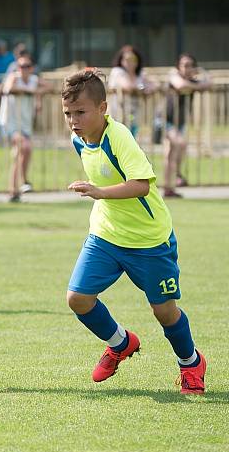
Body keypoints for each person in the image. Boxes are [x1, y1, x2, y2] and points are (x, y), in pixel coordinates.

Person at [63, 69, 206, 395]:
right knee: (78, 299)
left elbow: (141, 186)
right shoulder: (79, 139)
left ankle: (191, 363)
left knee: (164, 312)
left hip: (149, 241)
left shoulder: (120, 138)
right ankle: (121, 343)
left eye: (81, 112)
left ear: (103, 108)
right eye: (68, 113)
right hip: (106, 236)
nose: (73, 120)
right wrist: (100, 197)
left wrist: (99, 192)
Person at [0, 53, 51, 201]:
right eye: (20, 66)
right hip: (10, 123)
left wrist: (37, 93)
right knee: (24, 147)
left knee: (20, 153)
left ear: (32, 68)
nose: (23, 69)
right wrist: (30, 92)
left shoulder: (34, 79)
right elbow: (8, 89)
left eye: (27, 66)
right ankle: (23, 182)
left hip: (25, 124)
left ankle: (14, 190)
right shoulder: (14, 77)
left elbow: (49, 87)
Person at [164, 53, 212, 198]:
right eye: (184, 65)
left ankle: (169, 188)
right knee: (180, 144)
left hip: (180, 123)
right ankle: (177, 177)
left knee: (171, 154)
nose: (187, 68)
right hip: (166, 120)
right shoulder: (173, 76)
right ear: (178, 67)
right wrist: (196, 86)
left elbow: (210, 84)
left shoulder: (193, 79)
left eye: (191, 65)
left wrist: (201, 73)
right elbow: (180, 85)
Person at [107, 45, 155, 138]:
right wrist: (142, 89)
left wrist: (146, 88)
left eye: (133, 59)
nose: (130, 62)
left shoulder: (140, 73)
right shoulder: (117, 71)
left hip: (134, 113)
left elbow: (154, 85)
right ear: (121, 60)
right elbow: (127, 86)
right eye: (126, 59)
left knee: (130, 139)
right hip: (117, 113)